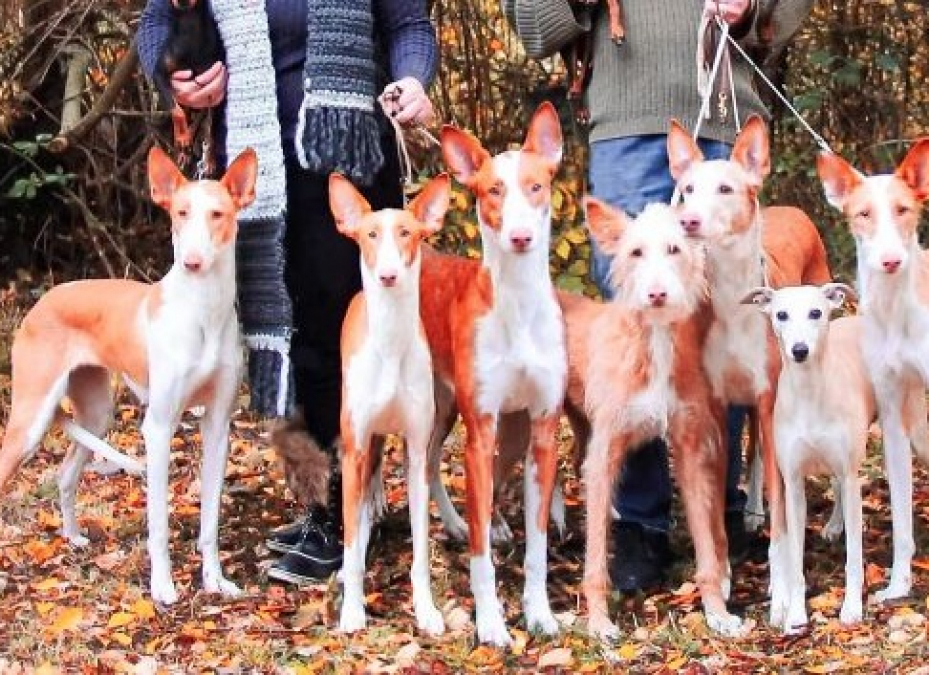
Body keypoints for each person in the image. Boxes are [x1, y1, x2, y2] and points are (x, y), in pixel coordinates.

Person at [137, 0, 438, 585]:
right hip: (253, 171)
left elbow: (409, 26)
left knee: (338, 333)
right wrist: (173, 81)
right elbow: (156, 23)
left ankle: (345, 512)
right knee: (284, 336)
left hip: (345, 166)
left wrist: (412, 79)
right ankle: (327, 499)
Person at [502, 0, 769, 592]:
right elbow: (533, 27)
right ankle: (639, 524)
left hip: (723, 113)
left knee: (722, 318)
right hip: (625, 123)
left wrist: (753, 8)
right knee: (636, 314)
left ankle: (720, 515)